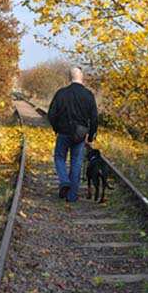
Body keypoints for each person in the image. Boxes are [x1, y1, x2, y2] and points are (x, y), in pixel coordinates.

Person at [48, 66, 98, 203]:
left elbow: (51, 114)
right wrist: (91, 135)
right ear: (82, 77)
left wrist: (56, 128)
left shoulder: (61, 93)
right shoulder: (88, 95)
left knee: (59, 157)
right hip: (80, 134)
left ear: (70, 78)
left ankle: (64, 180)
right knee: (76, 162)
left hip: (63, 132)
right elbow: (94, 117)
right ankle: (72, 196)